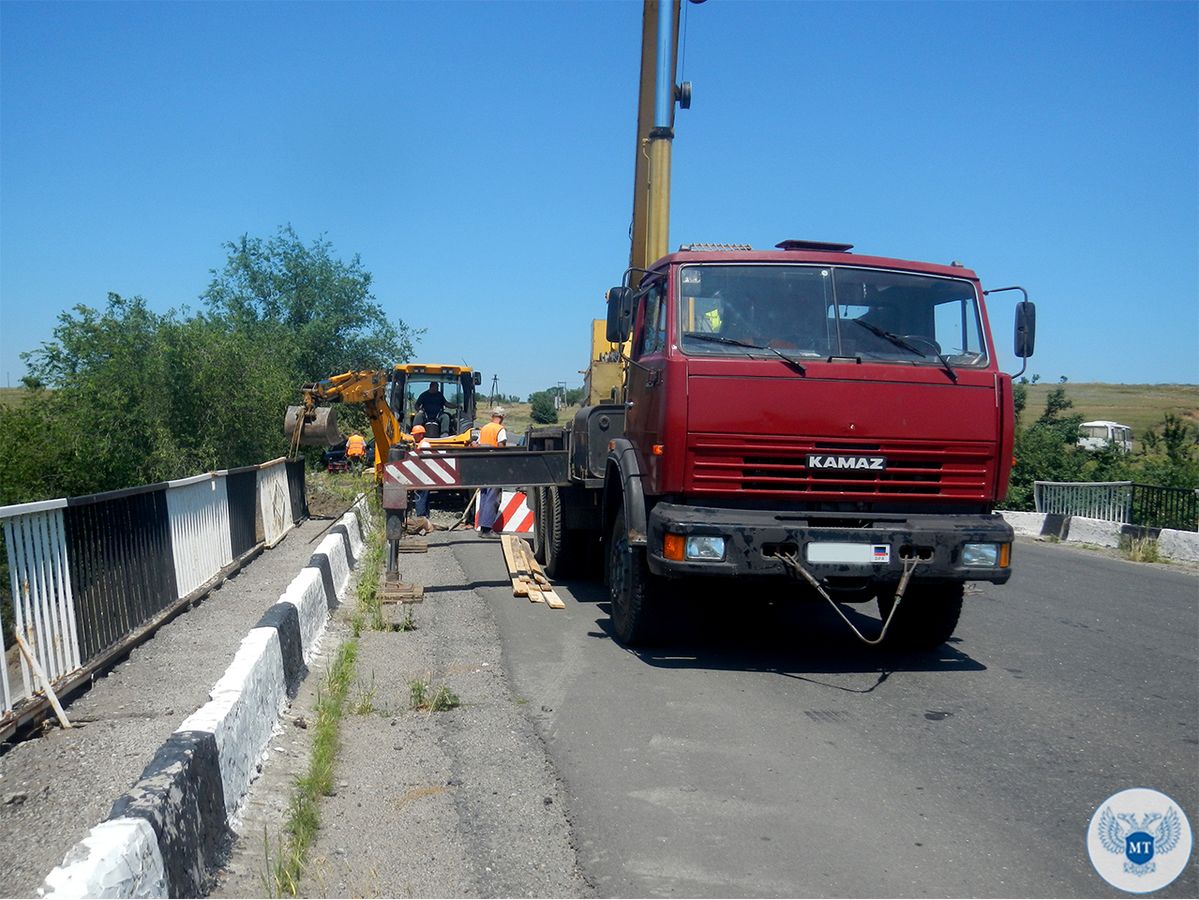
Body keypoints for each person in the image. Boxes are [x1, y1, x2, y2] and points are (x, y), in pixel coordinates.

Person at [474, 407, 507, 535]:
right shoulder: (500, 429)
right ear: (502, 417)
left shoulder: (484, 428)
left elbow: (478, 444)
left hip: (484, 464)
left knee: (484, 495)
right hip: (495, 465)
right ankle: (487, 528)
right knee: (493, 497)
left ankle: (482, 528)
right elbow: (501, 448)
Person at [410, 424, 431, 517]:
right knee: (423, 494)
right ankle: (425, 516)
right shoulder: (421, 444)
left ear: (421, 435)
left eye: (415, 434)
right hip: (423, 473)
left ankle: (421, 517)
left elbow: (424, 460)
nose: (413, 436)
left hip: (423, 474)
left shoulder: (424, 444)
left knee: (420, 494)